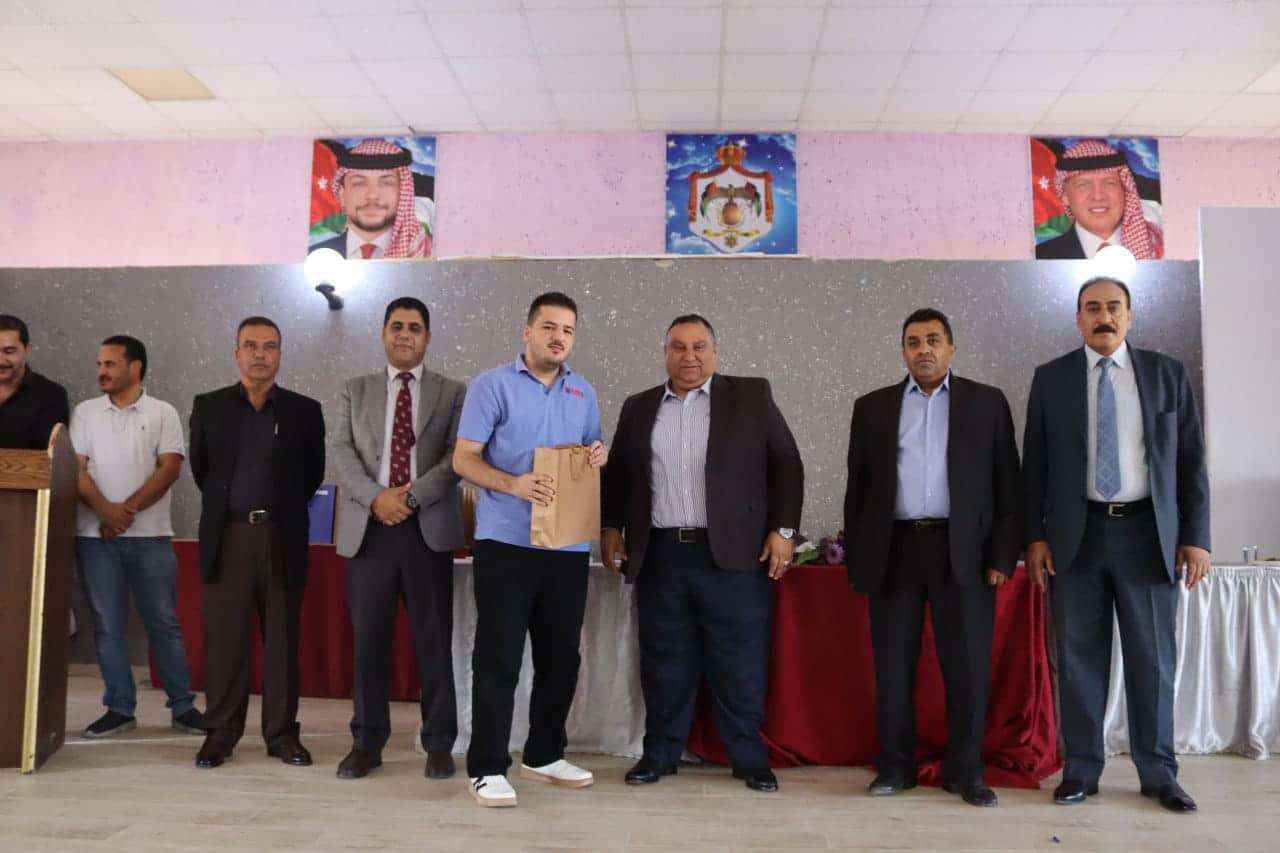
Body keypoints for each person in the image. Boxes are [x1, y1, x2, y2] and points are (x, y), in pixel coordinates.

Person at [1023, 277, 1210, 813]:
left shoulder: (1167, 374)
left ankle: (1159, 774)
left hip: (1148, 536)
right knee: (1079, 658)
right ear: (1078, 318)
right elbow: (1033, 464)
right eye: (1092, 308)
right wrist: (1034, 536)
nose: (1103, 317)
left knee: (1153, 660)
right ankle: (1081, 770)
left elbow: (1191, 461)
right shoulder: (1051, 378)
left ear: (1129, 316)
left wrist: (1196, 537)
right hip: (1075, 536)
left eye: (1113, 307)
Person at [601, 314, 803, 794]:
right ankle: (660, 754)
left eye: (698, 346)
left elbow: (786, 464)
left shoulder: (751, 396)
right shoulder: (638, 407)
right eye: (678, 347)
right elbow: (618, 475)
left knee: (739, 662)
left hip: (733, 558)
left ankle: (749, 758)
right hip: (661, 556)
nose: (688, 356)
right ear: (665, 353)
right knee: (664, 663)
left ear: (715, 350)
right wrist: (610, 527)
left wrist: (783, 531)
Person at [841, 309, 1020, 807]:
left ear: (951, 349)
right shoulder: (872, 407)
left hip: (963, 551)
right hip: (894, 550)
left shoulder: (986, 403)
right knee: (893, 667)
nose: (924, 349)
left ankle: (967, 773)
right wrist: (859, 558)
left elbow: (1008, 483)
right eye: (914, 341)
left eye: (934, 340)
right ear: (903, 350)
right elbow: (858, 489)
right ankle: (895, 768)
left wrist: (1002, 554)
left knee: (967, 667)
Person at [452, 292, 606, 808]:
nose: (558, 337)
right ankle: (486, 767)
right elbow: (464, 460)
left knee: (561, 658)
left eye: (567, 330)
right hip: (506, 542)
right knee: (499, 657)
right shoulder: (491, 386)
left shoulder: (583, 391)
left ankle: (543, 754)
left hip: (567, 545)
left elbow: (587, 456)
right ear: (528, 332)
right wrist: (513, 484)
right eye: (549, 327)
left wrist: (597, 455)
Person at [330, 297, 465, 781]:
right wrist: (376, 498)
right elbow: (341, 451)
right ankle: (367, 743)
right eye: (396, 326)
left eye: (414, 327)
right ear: (384, 333)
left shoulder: (452, 392)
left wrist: (409, 497)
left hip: (426, 529)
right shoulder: (354, 389)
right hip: (370, 531)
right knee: (369, 642)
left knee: (434, 641)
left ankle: (439, 744)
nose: (404, 334)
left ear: (427, 337)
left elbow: (456, 456)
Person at [188, 317, 326, 769]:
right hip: (227, 536)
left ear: (280, 355)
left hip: (281, 536)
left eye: (269, 346)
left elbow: (311, 475)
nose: (260, 354)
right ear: (237, 354)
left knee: (282, 642)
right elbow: (202, 471)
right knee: (226, 641)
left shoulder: (305, 411)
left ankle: (281, 734)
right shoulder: (209, 407)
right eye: (250, 345)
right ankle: (221, 733)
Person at [71, 336, 207, 739]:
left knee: (164, 623)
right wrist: (105, 512)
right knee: (107, 625)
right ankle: (119, 708)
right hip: (95, 538)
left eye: (110, 364)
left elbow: (169, 469)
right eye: (99, 364)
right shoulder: (85, 413)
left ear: (136, 367)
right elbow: (77, 470)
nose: (102, 371)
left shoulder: (163, 412)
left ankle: (183, 707)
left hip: (151, 538)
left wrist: (123, 512)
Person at [1036, 140, 1162, 260]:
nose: (1098, 196)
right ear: (1066, 196)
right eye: (1083, 185)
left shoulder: (1160, 248)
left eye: (1109, 183)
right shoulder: (1040, 258)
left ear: (1125, 190)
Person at [310, 139, 430, 259]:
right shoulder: (312, 258)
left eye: (386, 183)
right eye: (359, 183)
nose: (372, 195)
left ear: (403, 192)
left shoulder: (425, 255)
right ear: (342, 194)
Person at [0, 314, 70, 450]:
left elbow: (49, 456)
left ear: (27, 350)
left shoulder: (52, 396)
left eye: (9, 351)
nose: (1, 360)